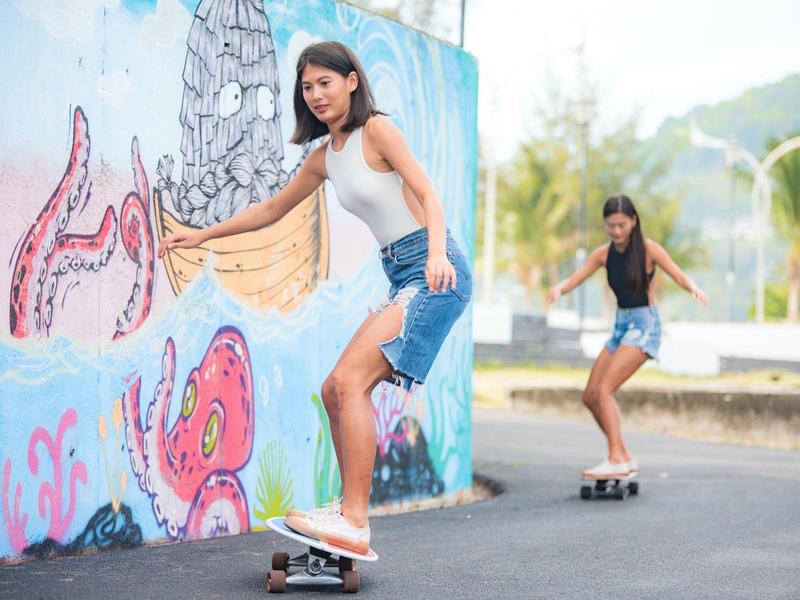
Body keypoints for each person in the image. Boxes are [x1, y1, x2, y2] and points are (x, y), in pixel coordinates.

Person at [157, 41, 472, 554]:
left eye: (326, 82)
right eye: (307, 86)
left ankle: (355, 517)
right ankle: (349, 511)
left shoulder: (378, 131)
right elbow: (270, 210)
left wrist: (437, 252)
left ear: (352, 80)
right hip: (403, 274)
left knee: (349, 382)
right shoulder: (325, 157)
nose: (317, 94)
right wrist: (202, 233)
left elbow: (429, 193)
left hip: (435, 272)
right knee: (335, 390)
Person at [545, 194, 707, 478]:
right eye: (611, 226)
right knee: (590, 395)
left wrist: (693, 288)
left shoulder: (649, 250)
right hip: (621, 325)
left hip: (645, 325)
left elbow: (678, 275)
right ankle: (622, 455)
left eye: (621, 224)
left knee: (604, 390)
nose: (617, 231)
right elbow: (576, 278)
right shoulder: (603, 254)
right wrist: (560, 289)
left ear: (634, 221)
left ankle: (615, 458)